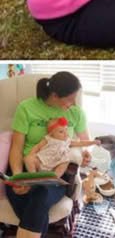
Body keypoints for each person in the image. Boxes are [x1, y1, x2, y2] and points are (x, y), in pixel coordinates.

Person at [7, 71, 94, 238]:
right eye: (69, 99)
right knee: (35, 209)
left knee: (41, 195)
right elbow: (16, 148)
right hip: (26, 169)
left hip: (55, 175)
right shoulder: (26, 108)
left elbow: (86, 141)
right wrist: (18, 177)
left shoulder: (76, 113)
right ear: (54, 95)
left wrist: (86, 153)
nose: (73, 103)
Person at [24, 117, 100, 178]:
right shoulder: (48, 139)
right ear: (52, 133)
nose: (65, 133)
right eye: (61, 131)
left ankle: (54, 178)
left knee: (65, 162)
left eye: (66, 130)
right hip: (41, 161)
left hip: (55, 165)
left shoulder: (68, 141)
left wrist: (93, 142)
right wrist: (31, 155)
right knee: (28, 159)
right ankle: (33, 176)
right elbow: (37, 147)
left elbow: (81, 143)